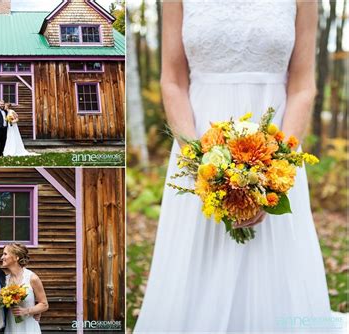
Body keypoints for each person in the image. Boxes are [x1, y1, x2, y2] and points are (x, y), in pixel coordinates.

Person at [134, 1, 347, 332]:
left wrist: (274, 173)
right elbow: (173, 80)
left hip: (277, 146)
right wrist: (201, 165)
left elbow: (303, 85)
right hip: (199, 149)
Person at [1, 243, 48, 333]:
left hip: (28, 326)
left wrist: (27, 311)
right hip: (11, 326)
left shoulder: (32, 278)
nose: (2, 257)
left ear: (16, 257)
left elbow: (44, 304)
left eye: (5, 254)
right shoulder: (4, 280)